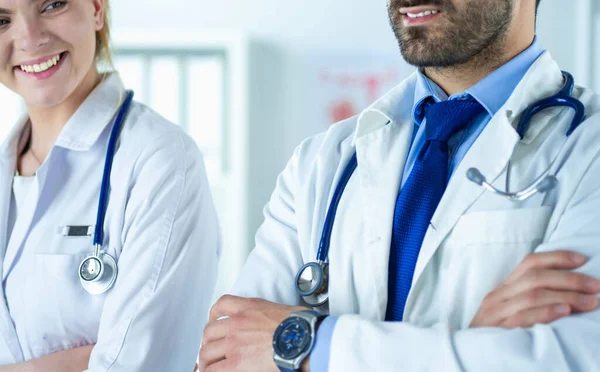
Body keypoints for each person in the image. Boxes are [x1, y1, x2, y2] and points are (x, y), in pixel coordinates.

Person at [199, 0, 600, 371]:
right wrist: (475, 346)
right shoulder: (322, 162)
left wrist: (309, 346)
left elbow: (570, 356)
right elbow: (226, 354)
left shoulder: (588, 147)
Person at [0, 0, 220, 371]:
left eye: (52, 4)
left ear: (97, 9)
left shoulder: (160, 160)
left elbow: (145, 363)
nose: (30, 38)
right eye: (1, 19)